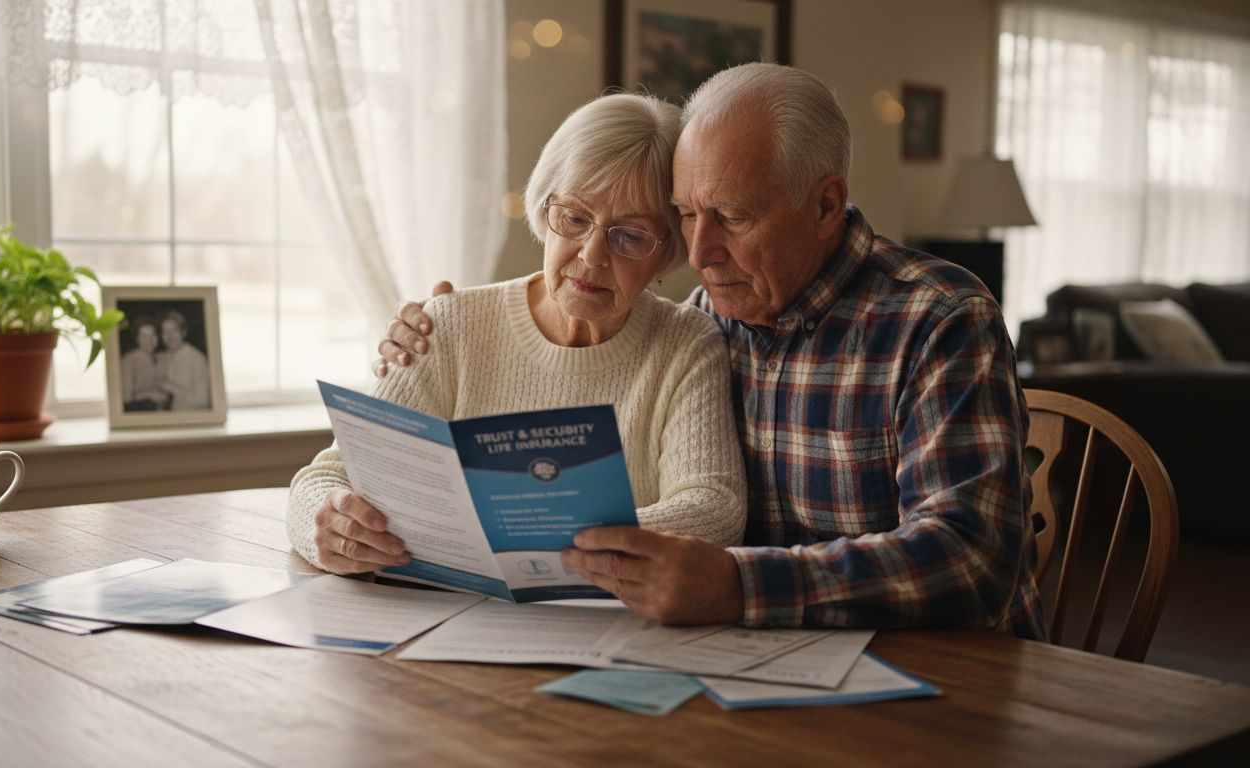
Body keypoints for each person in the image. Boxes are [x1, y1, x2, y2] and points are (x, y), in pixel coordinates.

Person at [376, 64, 1044, 638]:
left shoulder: (938, 319)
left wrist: (740, 585)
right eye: (688, 215)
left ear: (825, 206)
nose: (698, 253)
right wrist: (432, 332)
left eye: (731, 216)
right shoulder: (704, 319)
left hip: (942, 674)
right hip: (752, 658)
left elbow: (970, 558)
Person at [286, 93, 747, 576]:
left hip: (606, 614)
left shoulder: (685, 345)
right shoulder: (449, 325)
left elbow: (714, 509)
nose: (592, 255)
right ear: (545, 211)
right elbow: (329, 476)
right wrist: (327, 526)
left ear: (667, 250)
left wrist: (543, 539)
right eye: (574, 219)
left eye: (629, 236)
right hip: (437, 609)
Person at [158, 310, 211, 410]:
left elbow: (203, 400)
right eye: (165, 331)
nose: (170, 336)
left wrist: (172, 387)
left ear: (183, 332)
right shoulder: (162, 357)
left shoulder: (197, 358)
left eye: (174, 330)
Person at [120, 317, 168, 411]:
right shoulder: (128, 360)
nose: (149, 340)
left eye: (153, 335)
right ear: (137, 339)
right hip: (138, 411)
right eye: (144, 336)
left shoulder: (161, 358)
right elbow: (126, 397)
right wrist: (150, 394)